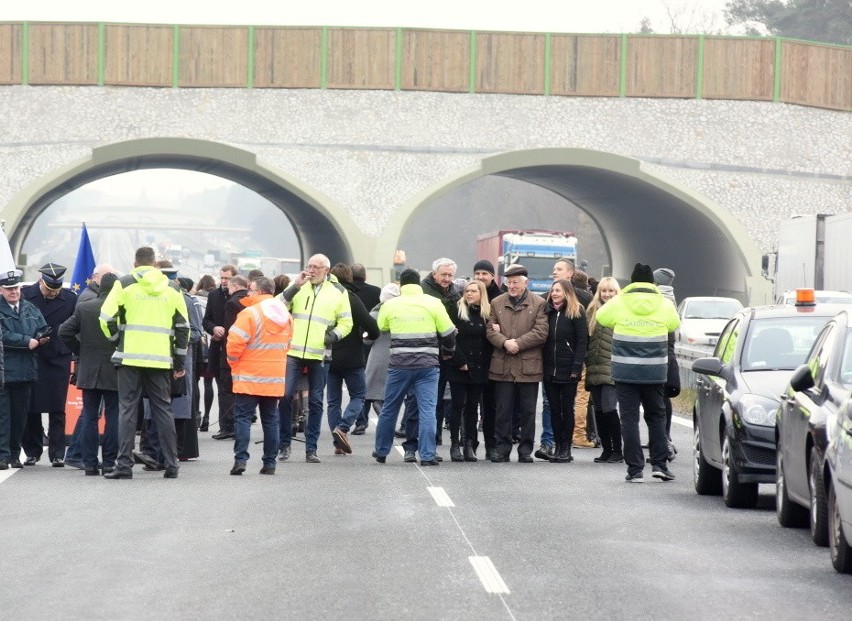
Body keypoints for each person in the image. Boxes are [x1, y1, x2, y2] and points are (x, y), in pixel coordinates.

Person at [99, 246, 189, 480]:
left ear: (135, 263)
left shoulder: (125, 283)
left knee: (127, 409)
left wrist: (118, 341)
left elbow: (106, 317)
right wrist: (179, 361)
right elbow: (183, 328)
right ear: (155, 264)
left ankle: (124, 465)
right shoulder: (172, 288)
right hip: (160, 359)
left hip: (129, 357)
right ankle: (172, 464)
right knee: (163, 410)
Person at [595, 263, 680, 483]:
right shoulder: (663, 303)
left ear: (632, 281)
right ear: (652, 283)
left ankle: (635, 470)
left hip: (625, 371)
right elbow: (674, 324)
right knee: (656, 417)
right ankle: (660, 464)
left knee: (629, 419)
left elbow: (602, 318)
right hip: (655, 371)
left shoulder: (619, 301)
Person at [373, 269, 455, 466]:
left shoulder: (390, 304)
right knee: (427, 410)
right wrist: (449, 351)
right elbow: (448, 332)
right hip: (427, 366)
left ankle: (382, 451)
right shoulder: (434, 303)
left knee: (390, 409)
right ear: (418, 284)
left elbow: (382, 327)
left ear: (401, 285)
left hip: (399, 366)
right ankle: (427, 455)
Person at [278, 254, 353, 463]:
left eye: (316, 267)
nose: (311, 270)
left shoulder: (339, 292)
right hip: (293, 351)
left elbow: (346, 323)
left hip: (320, 354)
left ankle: (311, 448)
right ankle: (284, 445)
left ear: (326, 270)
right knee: (285, 397)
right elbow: (277, 307)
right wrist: (295, 286)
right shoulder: (299, 286)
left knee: (316, 402)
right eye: (309, 266)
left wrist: (329, 337)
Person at [227, 277, 292, 475]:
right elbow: (287, 344)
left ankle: (241, 460)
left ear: (259, 292)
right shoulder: (285, 315)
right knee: (271, 420)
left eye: (251, 290)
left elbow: (234, 343)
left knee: (243, 418)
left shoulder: (250, 313)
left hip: (249, 376)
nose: (248, 293)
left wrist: (233, 363)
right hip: (274, 378)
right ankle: (270, 463)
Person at [58, 273, 120, 475]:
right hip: (115, 370)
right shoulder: (121, 310)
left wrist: (80, 350)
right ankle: (110, 461)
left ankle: (90, 463)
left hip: (89, 369)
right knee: (114, 416)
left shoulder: (85, 308)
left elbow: (64, 331)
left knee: (90, 416)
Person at [485, 264, 547, 463]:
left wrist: (516, 344)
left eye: (515, 282)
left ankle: (525, 450)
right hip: (502, 365)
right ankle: (502, 448)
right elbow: (490, 330)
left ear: (525, 283)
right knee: (503, 410)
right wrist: (504, 342)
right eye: (509, 282)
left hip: (528, 366)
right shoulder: (496, 303)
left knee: (528, 411)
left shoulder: (538, 303)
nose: (511, 286)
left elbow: (541, 332)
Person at [21, 262, 77, 467]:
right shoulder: (26, 294)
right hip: (32, 356)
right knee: (30, 407)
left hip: (57, 358)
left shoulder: (70, 298)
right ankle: (32, 451)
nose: (53, 294)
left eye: (56, 290)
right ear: (40, 281)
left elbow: (75, 327)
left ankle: (56, 454)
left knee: (57, 408)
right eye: (49, 289)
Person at [326, 263, 379, 455]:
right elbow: (372, 327)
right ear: (349, 278)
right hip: (352, 356)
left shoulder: (325, 297)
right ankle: (343, 427)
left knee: (333, 401)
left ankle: (338, 444)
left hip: (328, 355)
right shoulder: (352, 298)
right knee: (358, 395)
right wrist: (366, 337)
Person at [0, 270, 49, 470]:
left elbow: (42, 327)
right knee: (3, 416)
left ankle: (13, 454)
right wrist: (26, 340)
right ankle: (2, 455)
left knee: (20, 416)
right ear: (1, 290)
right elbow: (3, 335)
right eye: (9, 288)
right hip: (4, 370)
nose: (14, 292)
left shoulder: (30, 308)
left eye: (16, 288)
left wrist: (41, 337)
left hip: (26, 369)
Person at [542, 279, 588, 463]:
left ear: (567, 292)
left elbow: (582, 341)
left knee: (566, 409)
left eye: (558, 291)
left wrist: (576, 366)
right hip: (549, 369)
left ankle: (566, 448)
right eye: (553, 290)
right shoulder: (548, 312)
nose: (554, 294)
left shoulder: (576, 312)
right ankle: (557, 446)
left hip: (568, 368)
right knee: (554, 409)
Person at [447, 279, 492, 462]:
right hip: (459, 366)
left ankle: (469, 444)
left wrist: (495, 328)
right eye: (467, 291)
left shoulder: (486, 315)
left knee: (473, 408)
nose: (469, 294)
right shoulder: (457, 311)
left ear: (481, 294)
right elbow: (449, 338)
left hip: (479, 367)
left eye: (474, 291)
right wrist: (460, 361)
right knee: (457, 406)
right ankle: (454, 444)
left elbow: (488, 341)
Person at [419, 258, 461, 448]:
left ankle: (448, 437)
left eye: (450, 275)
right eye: (443, 274)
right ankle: (431, 438)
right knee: (431, 399)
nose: (447, 279)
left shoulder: (455, 293)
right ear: (434, 274)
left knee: (450, 398)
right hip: (429, 352)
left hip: (449, 351)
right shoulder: (423, 290)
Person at [584, 276, 623, 464]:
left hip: (612, 367)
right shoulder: (591, 311)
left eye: (611, 291)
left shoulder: (622, 311)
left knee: (609, 408)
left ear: (617, 292)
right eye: (603, 291)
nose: (607, 294)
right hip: (594, 366)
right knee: (598, 410)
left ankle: (617, 449)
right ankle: (607, 449)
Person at [202, 264, 236, 440]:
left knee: (233, 388)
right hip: (217, 347)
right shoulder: (214, 295)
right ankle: (225, 426)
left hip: (236, 349)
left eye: (227, 278)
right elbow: (206, 320)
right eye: (221, 278)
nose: (223, 281)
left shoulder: (238, 297)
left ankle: (235, 425)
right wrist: (213, 328)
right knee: (221, 386)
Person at [350, 263, 382, 435]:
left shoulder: (347, 293)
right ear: (365, 276)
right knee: (370, 381)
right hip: (373, 341)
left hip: (354, 342)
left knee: (360, 383)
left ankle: (361, 421)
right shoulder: (376, 292)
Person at [654, 267, 680, 462]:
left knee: (658, 400)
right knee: (663, 399)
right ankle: (664, 437)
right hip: (668, 353)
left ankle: (662, 439)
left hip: (659, 353)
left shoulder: (660, 299)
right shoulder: (670, 297)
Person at [193, 273, 217, 431]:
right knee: (209, 384)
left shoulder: (194, 300)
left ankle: (196, 414)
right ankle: (208, 417)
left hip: (198, 345)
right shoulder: (215, 300)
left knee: (194, 383)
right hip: (210, 345)